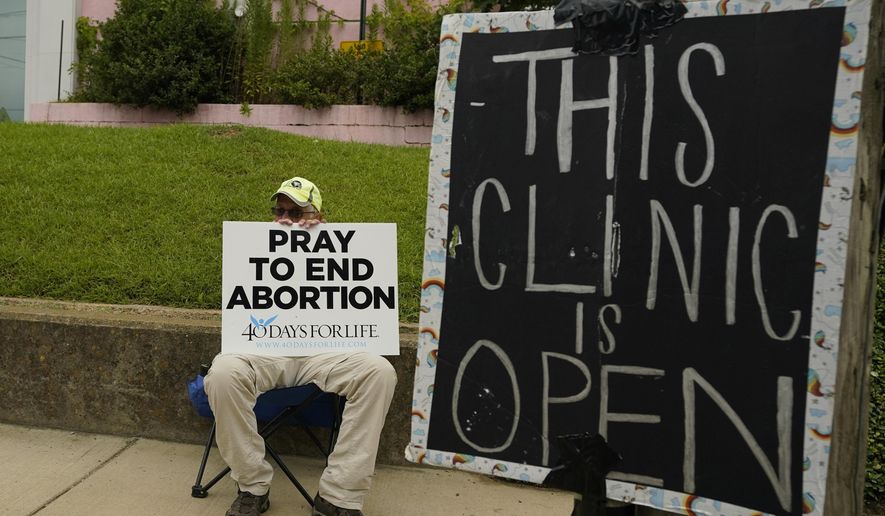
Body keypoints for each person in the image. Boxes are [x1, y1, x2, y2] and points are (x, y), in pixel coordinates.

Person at [205, 176, 398, 516]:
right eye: (280, 210)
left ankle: (338, 496)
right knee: (222, 373)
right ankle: (252, 486)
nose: (285, 219)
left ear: (319, 216)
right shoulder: (253, 246)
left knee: (379, 372)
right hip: (263, 350)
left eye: (296, 213)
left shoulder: (349, 247)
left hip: (327, 350)